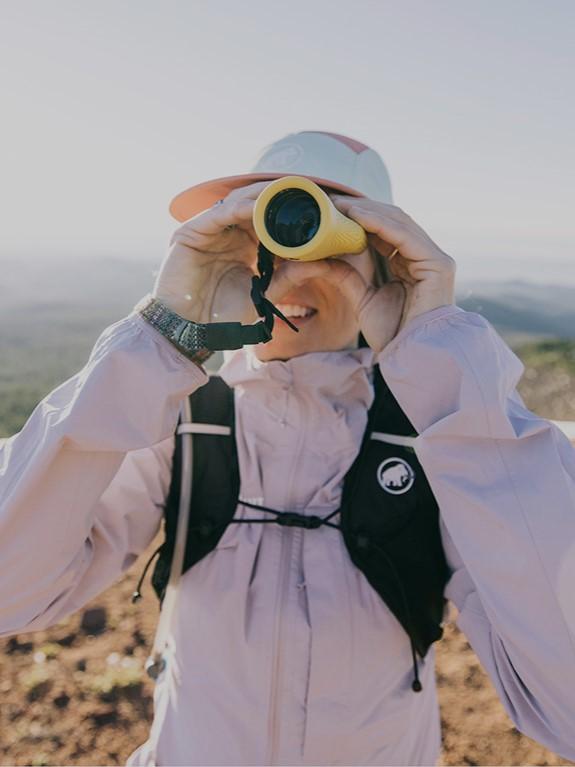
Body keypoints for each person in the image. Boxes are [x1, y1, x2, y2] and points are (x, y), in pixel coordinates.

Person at [1, 130, 574, 767]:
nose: (283, 275)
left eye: (322, 240)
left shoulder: (438, 443)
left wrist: (445, 371)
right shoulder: (182, 421)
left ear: (386, 264)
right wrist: (159, 338)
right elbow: (10, 588)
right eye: (258, 239)